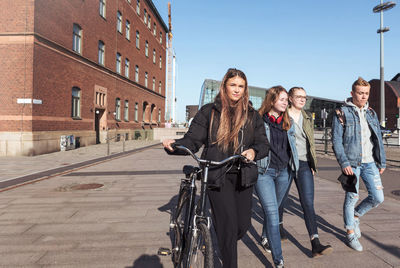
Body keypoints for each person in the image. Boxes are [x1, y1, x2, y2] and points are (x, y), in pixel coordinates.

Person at [163, 68, 269, 268]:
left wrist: (254, 152)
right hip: (217, 175)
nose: (237, 90)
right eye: (233, 85)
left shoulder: (252, 115)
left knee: (242, 226)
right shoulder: (209, 111)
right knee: (228, 228)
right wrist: (174, 146)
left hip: (243, 176)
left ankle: (224, 240)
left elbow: (263, 143)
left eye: (241, 86)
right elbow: (193, 140)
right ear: (225, 86)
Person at [332, 77, 386, 251]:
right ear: (352, 93)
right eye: (360, 93)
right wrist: (344, 162)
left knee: (378, 197)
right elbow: (336, 140)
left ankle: (356, 216)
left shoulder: (371, 112)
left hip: (370, 162)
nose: (363, 96)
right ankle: (350, 234)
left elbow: (377, 138)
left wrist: (381, 161)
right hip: (352, 163)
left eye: (366, 93)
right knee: (351, 198)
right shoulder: (341, 112)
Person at [278, 87, 333, 257]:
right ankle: (278, 227)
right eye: (299, 97)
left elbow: (310, 143)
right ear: (290, 98)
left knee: (308, 202)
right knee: (280, 200)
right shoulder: (282, 115)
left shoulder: (307, 117)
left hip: (303, 164)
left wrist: (312, 163)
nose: (303, 99)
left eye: (304, 97)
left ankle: (315, 243)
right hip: (285, 163)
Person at [255, 86, 298, 268]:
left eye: (287, 100)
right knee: (273, 213)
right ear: (271, 100)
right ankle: (278, 260)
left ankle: (265, 236)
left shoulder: (289, 122)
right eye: (282, 99)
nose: (286, 102)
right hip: (264, 172)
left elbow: (293, 147)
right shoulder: (259, 120)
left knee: (274, 209)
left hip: (284, 172)